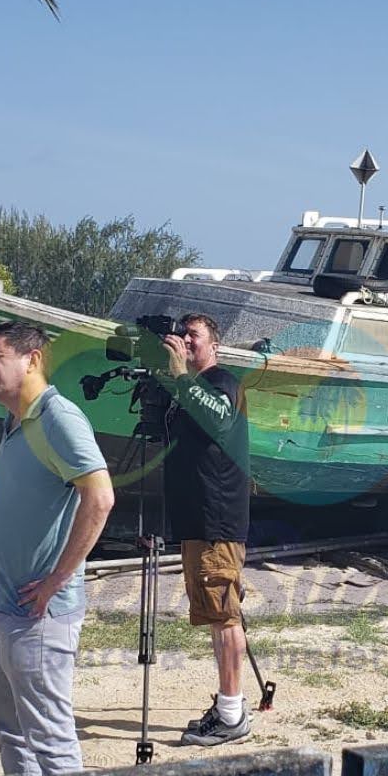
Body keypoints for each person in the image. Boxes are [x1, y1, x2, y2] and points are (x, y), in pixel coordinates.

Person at [0, 321, 114, 776]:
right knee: (8, 727)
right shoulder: (15, 420)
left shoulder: (58, 417)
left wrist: (59, 577)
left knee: (51, 739)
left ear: (32, 360)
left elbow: (99, 497)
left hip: (37, 613)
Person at [159, 313, 252, 747]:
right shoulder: (190, 391)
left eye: (193, 336)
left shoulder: (222, 383)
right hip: (198, 520)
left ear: (213, 345)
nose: (185, 342)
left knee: (223, 614)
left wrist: (180, 375)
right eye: (181, 336)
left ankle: (232, 714)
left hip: (217, 520)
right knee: (216, 617)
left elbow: (216, 419)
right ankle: (227, 706)